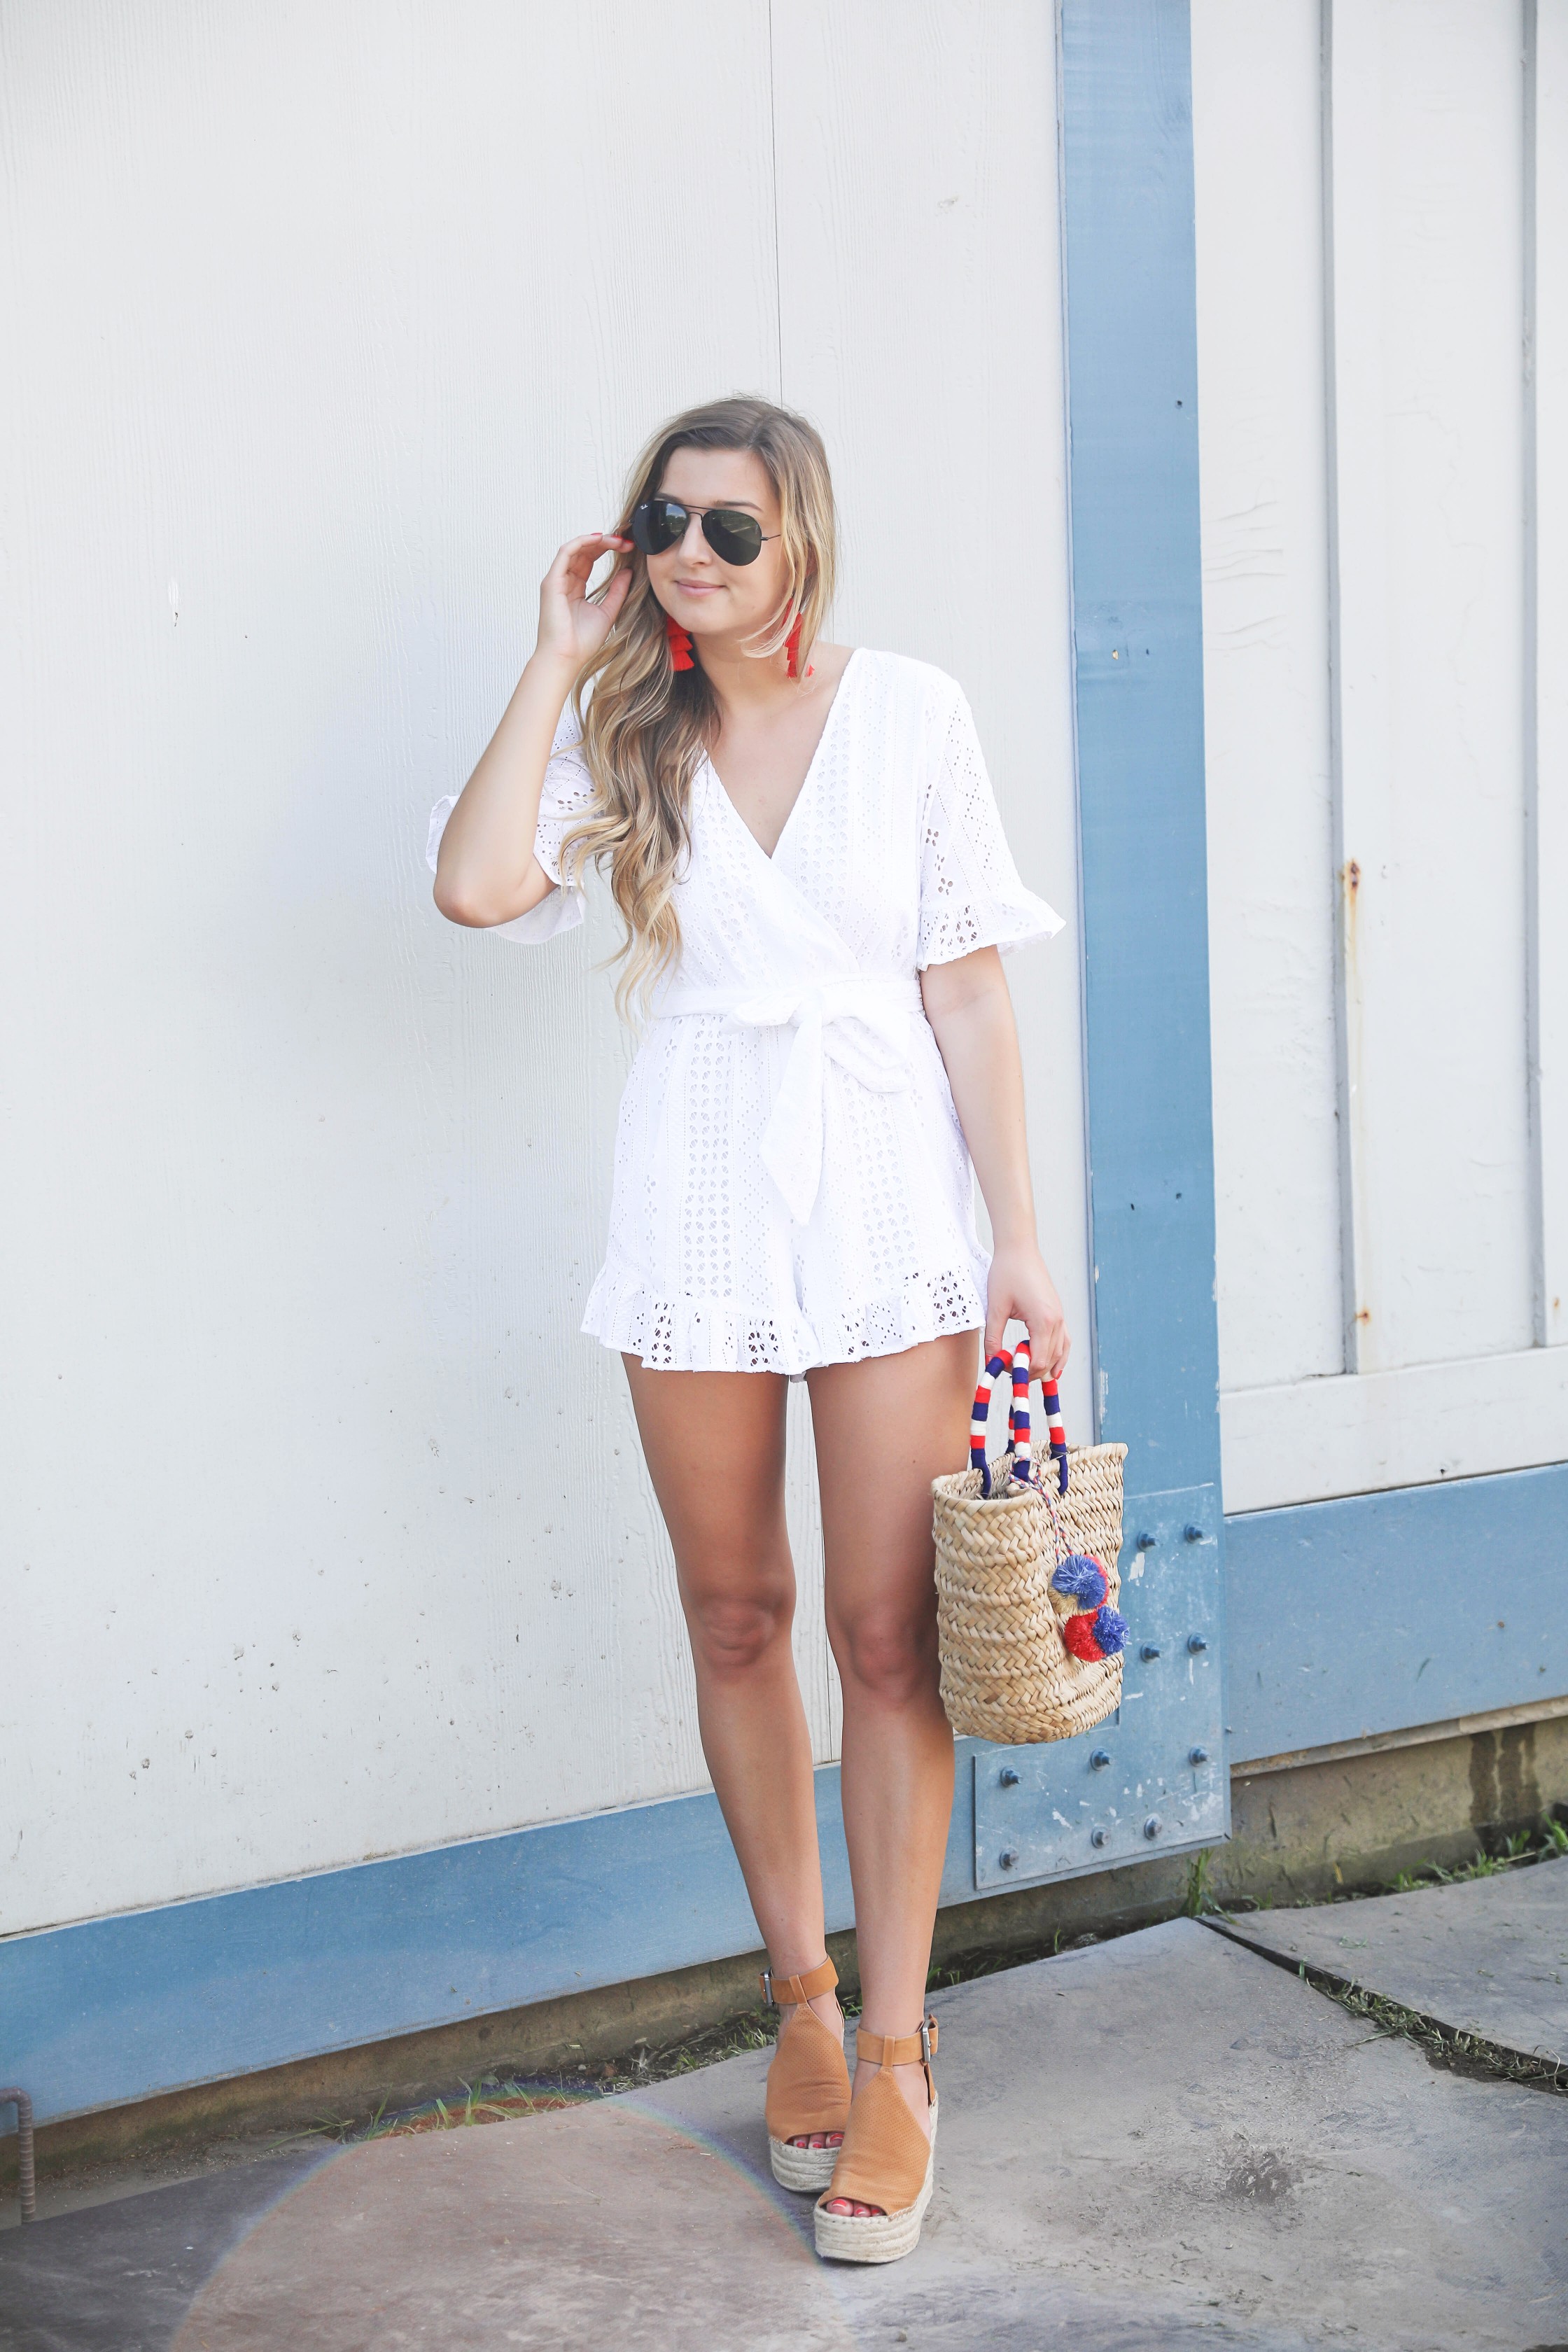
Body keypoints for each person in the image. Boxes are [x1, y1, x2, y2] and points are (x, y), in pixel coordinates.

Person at [429, 395, 1068, 2264]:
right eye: (665, 523)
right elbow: (475, 885)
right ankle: (796, 1994)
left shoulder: (915, 714)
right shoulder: (634, 724)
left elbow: (966, 997)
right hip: (702, 1186)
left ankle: (893, 2045)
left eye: (730, 527)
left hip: (879, 1193)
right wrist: (557, 656)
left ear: (801, 540)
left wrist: (1017, 1241)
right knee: (735, 1614)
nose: (693, 556)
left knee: (887, 1636)